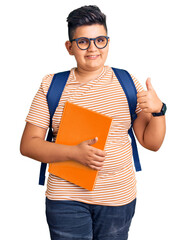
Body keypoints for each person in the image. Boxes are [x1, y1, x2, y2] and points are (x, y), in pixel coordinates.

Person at [20, 5, 166, 240]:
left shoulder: (126, 81)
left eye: (100, 40)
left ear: (108, 41)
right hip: (65, 199)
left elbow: (152, 142)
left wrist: (159, 111)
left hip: (118, 198)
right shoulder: (52, 85)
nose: (93, 49)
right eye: (83, 42)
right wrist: (74, 153)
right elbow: (28, 144)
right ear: (69, 47)